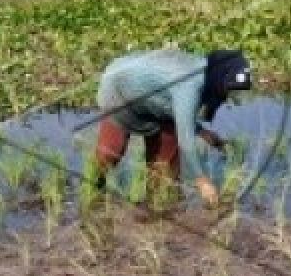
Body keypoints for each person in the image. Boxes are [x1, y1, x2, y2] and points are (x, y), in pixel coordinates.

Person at [92, 48, 253, 207]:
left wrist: (202, 132)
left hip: (155, 98)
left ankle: (155, 207)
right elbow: (185, 139)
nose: (228, 96)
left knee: (164, 169)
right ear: (218, 78)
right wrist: (202, 182)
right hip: (120, 90)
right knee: (110, 153)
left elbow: (176, 111)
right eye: (228, 90)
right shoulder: (190, 84)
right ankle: (94, 192)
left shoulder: (207, 73)